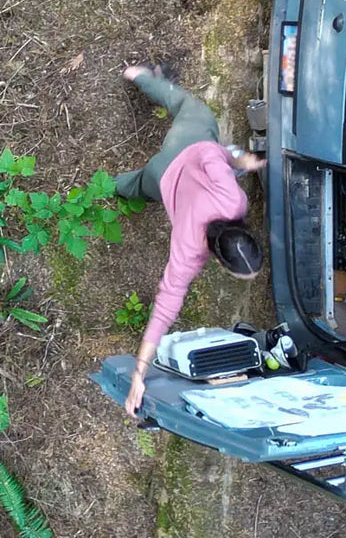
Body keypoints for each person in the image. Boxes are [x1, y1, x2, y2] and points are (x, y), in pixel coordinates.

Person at [114, 64, 265, 419]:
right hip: (161, 177)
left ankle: (138, 76)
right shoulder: (189, 250)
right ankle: (109, 185)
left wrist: (237, 159)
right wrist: (139, 374)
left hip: (191, 141)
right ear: (219, 259)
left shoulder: (235, 202)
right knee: (135, 186)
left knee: (183, 102)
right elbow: (165, 307)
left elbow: (212, 155)